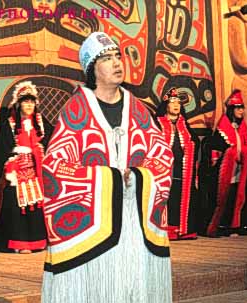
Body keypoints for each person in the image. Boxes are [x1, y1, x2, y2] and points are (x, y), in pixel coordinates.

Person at [41, 32, 174, 303]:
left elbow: (162, 156)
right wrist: (109, 178)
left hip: (135, 220)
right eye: (106, 58)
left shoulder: (139, 110)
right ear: (92, 69)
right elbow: (55, 167)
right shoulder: (75, 111)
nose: (116, 63)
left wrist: (138, 176)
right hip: (93, 229)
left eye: (118, 56)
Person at [0, 81, 53, 254]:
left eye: (32, 102)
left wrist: (39, 151)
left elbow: (52, 138)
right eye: (26, 102)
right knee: (17, 204)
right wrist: (13, 161)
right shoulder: (9, 124)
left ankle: (37, 241)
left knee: (36, 204)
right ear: (18, 104)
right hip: (16, 170)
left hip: (35, 170)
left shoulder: (40, 122)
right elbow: (3, 148)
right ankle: (19, 243)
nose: (29, 105)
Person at [199, 90, 247, 237]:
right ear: (231, 109)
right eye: (238, 108)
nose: (241, 111)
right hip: (227, 170)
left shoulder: (243, 128)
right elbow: (216, 149)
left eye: (242, 108)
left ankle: (240, 225)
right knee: (226, 197)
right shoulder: (222, 129)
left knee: (240, 195)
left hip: (239, 169)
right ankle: (223, 226)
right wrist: (229, 154)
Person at [155, 87, 199, 240]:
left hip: (182, 170)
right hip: (163, 171)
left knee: (181, 198)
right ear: (166, 105)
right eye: (172, 102)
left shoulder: (184, 125)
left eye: (179, 103)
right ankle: (167, 230)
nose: (176, 105)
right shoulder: (157, 124)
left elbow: (194, 142)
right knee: (167, 199)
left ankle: (183, 230)